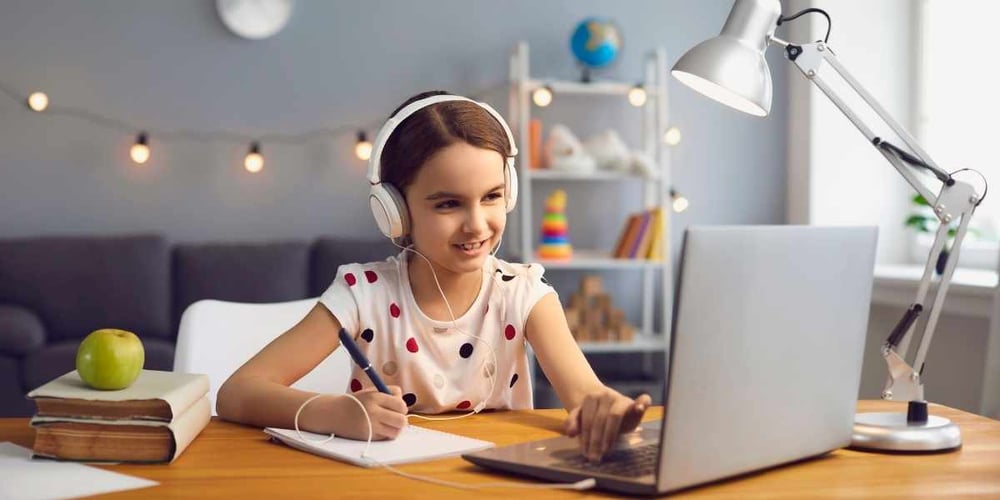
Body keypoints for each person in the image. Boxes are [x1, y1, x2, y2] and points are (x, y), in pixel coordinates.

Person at [217, 90, 651, 462]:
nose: (477, 224)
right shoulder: (361, 294)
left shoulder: (524, 293)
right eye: (448, 204)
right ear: (395, 211)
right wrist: (330, 412)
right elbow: (236, 393)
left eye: (492, 196)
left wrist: (606, 409)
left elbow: (587, 394)